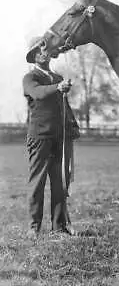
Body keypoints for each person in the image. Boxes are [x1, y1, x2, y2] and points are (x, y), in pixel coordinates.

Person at [24, 36, 80, 238]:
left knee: (59, 183)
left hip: (58, 138)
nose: (43, 53)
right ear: (34, 56)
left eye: (45, 50)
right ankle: (34, 227)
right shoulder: (30, 79)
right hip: (39, 138)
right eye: (38, 51)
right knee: (37, 183)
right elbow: (38, 94)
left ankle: (59, 226)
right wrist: (57, 88)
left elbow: (63, 106)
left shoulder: (57, 78)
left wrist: (72, 127)